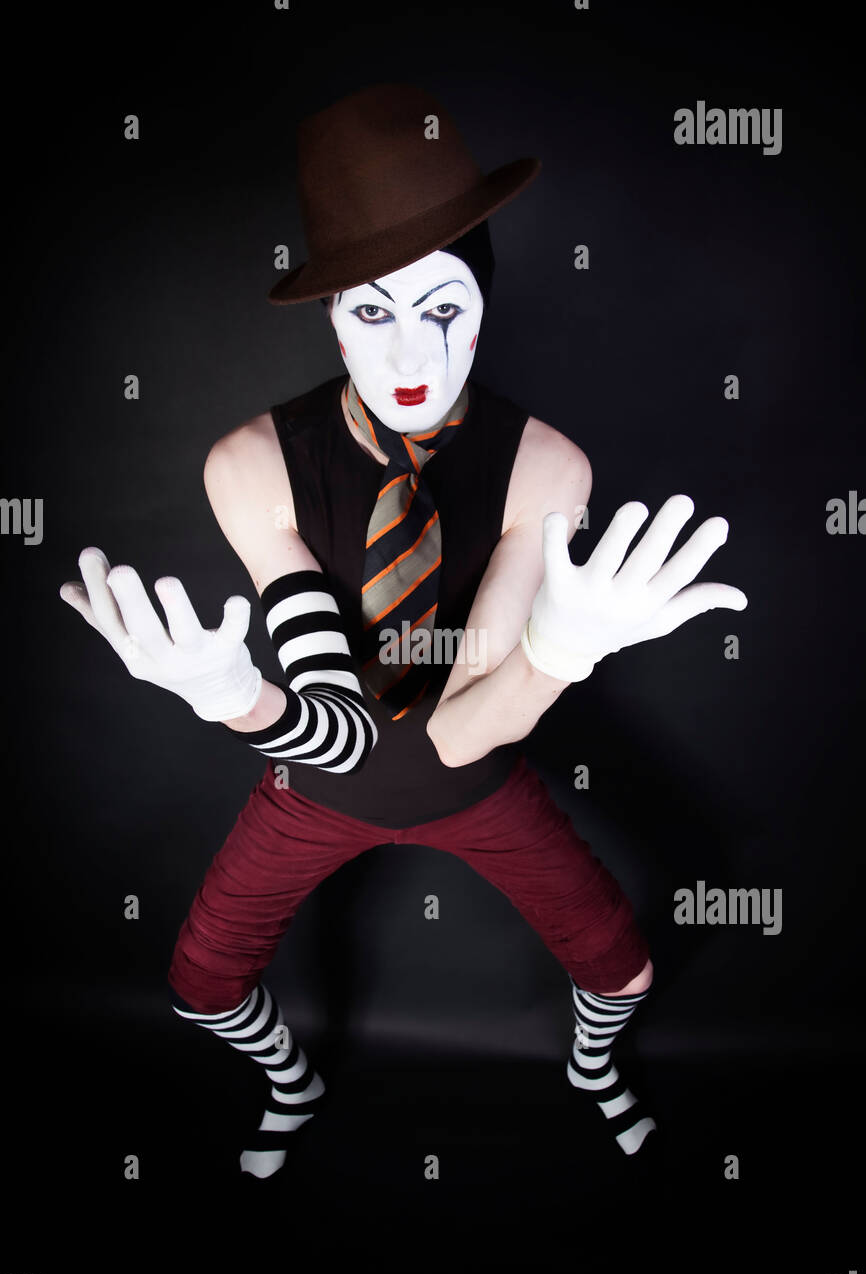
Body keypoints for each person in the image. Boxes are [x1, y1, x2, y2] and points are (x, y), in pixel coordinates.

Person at [59, 83, 747, 1180]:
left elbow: (459, 732)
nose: (410, 353)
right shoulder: (249, 466)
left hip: (471, 781)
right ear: (330, 317)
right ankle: (293, 1080)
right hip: (315, 784)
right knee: (197, 992)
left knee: (623, 977)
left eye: (442, 307)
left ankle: (589, 1070)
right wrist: (232, 695)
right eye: (370, 313)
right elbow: (335, 718)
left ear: (484, 298)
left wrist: (559, 648)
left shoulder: (543, 468)